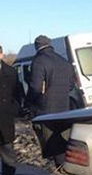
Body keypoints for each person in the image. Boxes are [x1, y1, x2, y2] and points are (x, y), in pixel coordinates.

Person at [26, 35, 76, 167]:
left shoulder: (39, 61)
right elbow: (71, 86)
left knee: (54, 147)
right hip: (64, 109)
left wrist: (29, 104)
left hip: (46, 111)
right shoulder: (64, 61)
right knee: (63, 144)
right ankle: (67, 171)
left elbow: (35, 88)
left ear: (37, 46)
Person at [0, 45, 23, 175]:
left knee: (8, 154)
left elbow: (18, 94)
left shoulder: (11, 72)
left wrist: (13, 109)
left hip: (4, 120)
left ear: (1, 54)